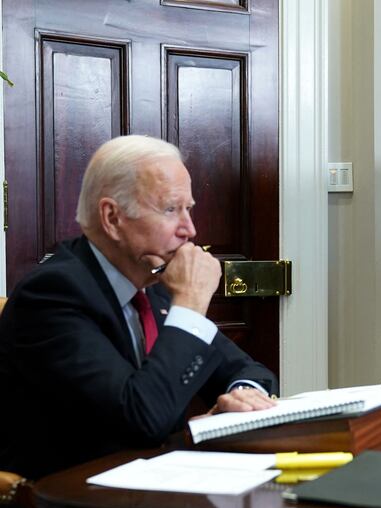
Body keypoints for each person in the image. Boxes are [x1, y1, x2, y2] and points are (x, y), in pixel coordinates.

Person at [0, 135, 278, 479]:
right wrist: (191, 302)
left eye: (188, 209)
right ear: (112, 217)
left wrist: (243, 396)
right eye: (170, 209)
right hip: (74, 502)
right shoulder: (52, 295)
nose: (190, 230)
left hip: (159, 485)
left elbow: (250, 372)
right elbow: (141, 420)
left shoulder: (153, 285)